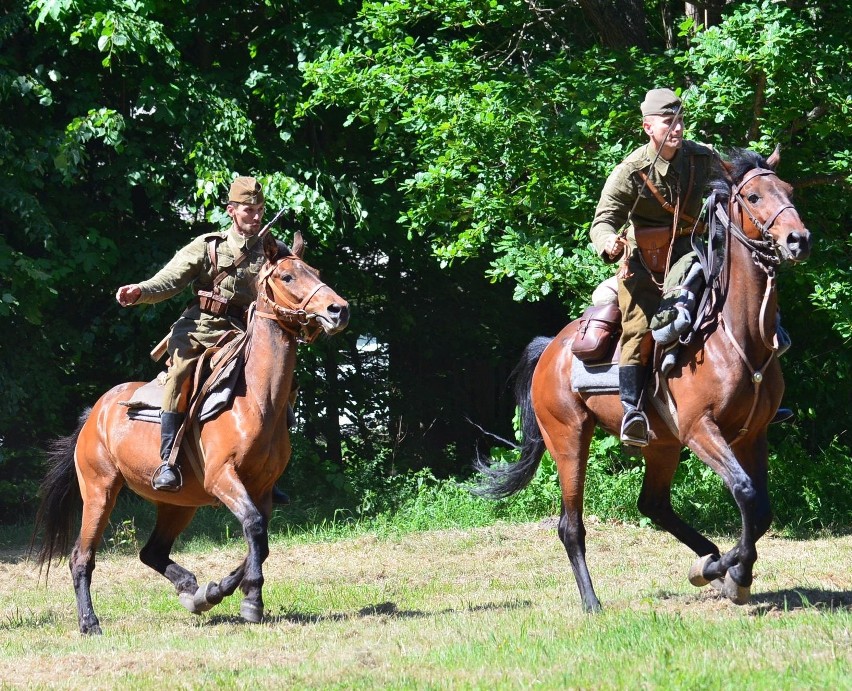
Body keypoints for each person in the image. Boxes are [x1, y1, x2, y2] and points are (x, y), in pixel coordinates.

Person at [589, 88, 791, 446]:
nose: (677, 128)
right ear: (648, 127)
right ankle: (633, 411)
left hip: (699, 252)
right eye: (668, 122)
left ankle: (763, 399)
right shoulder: (631, 172)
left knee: (747, 297)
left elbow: (742, 177)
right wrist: (608, 242)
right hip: (646, 268)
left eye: (680, 121)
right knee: (638, 330)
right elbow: (603, 221)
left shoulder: (702, 157)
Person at [116, 176, 292, 500]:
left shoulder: (271, 251)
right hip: (200, 329)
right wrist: (141, 291)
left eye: (260, 210)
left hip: (243, 335)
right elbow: (170, 279)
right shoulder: (210, 246)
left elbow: (290, 285)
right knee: (180, 376)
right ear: (232, 211)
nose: (255, 216)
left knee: (279, 382)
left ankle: (268, 470)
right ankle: (167, 460)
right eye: (249, 210)